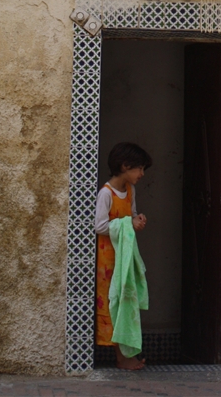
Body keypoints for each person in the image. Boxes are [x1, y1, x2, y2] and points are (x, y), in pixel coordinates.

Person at [95, 141, 152, 370]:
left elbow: (132, 214)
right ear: (125, 165)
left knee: (127, 302)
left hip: (125, 258)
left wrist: (137, 221)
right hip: (108, 261)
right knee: (113, 304)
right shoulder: (105, 193)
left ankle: (126, 356)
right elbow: (100, 226)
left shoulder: (130, 191)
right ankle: (121, 358)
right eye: (139, 168)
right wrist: (128, 223)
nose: (142, 174)